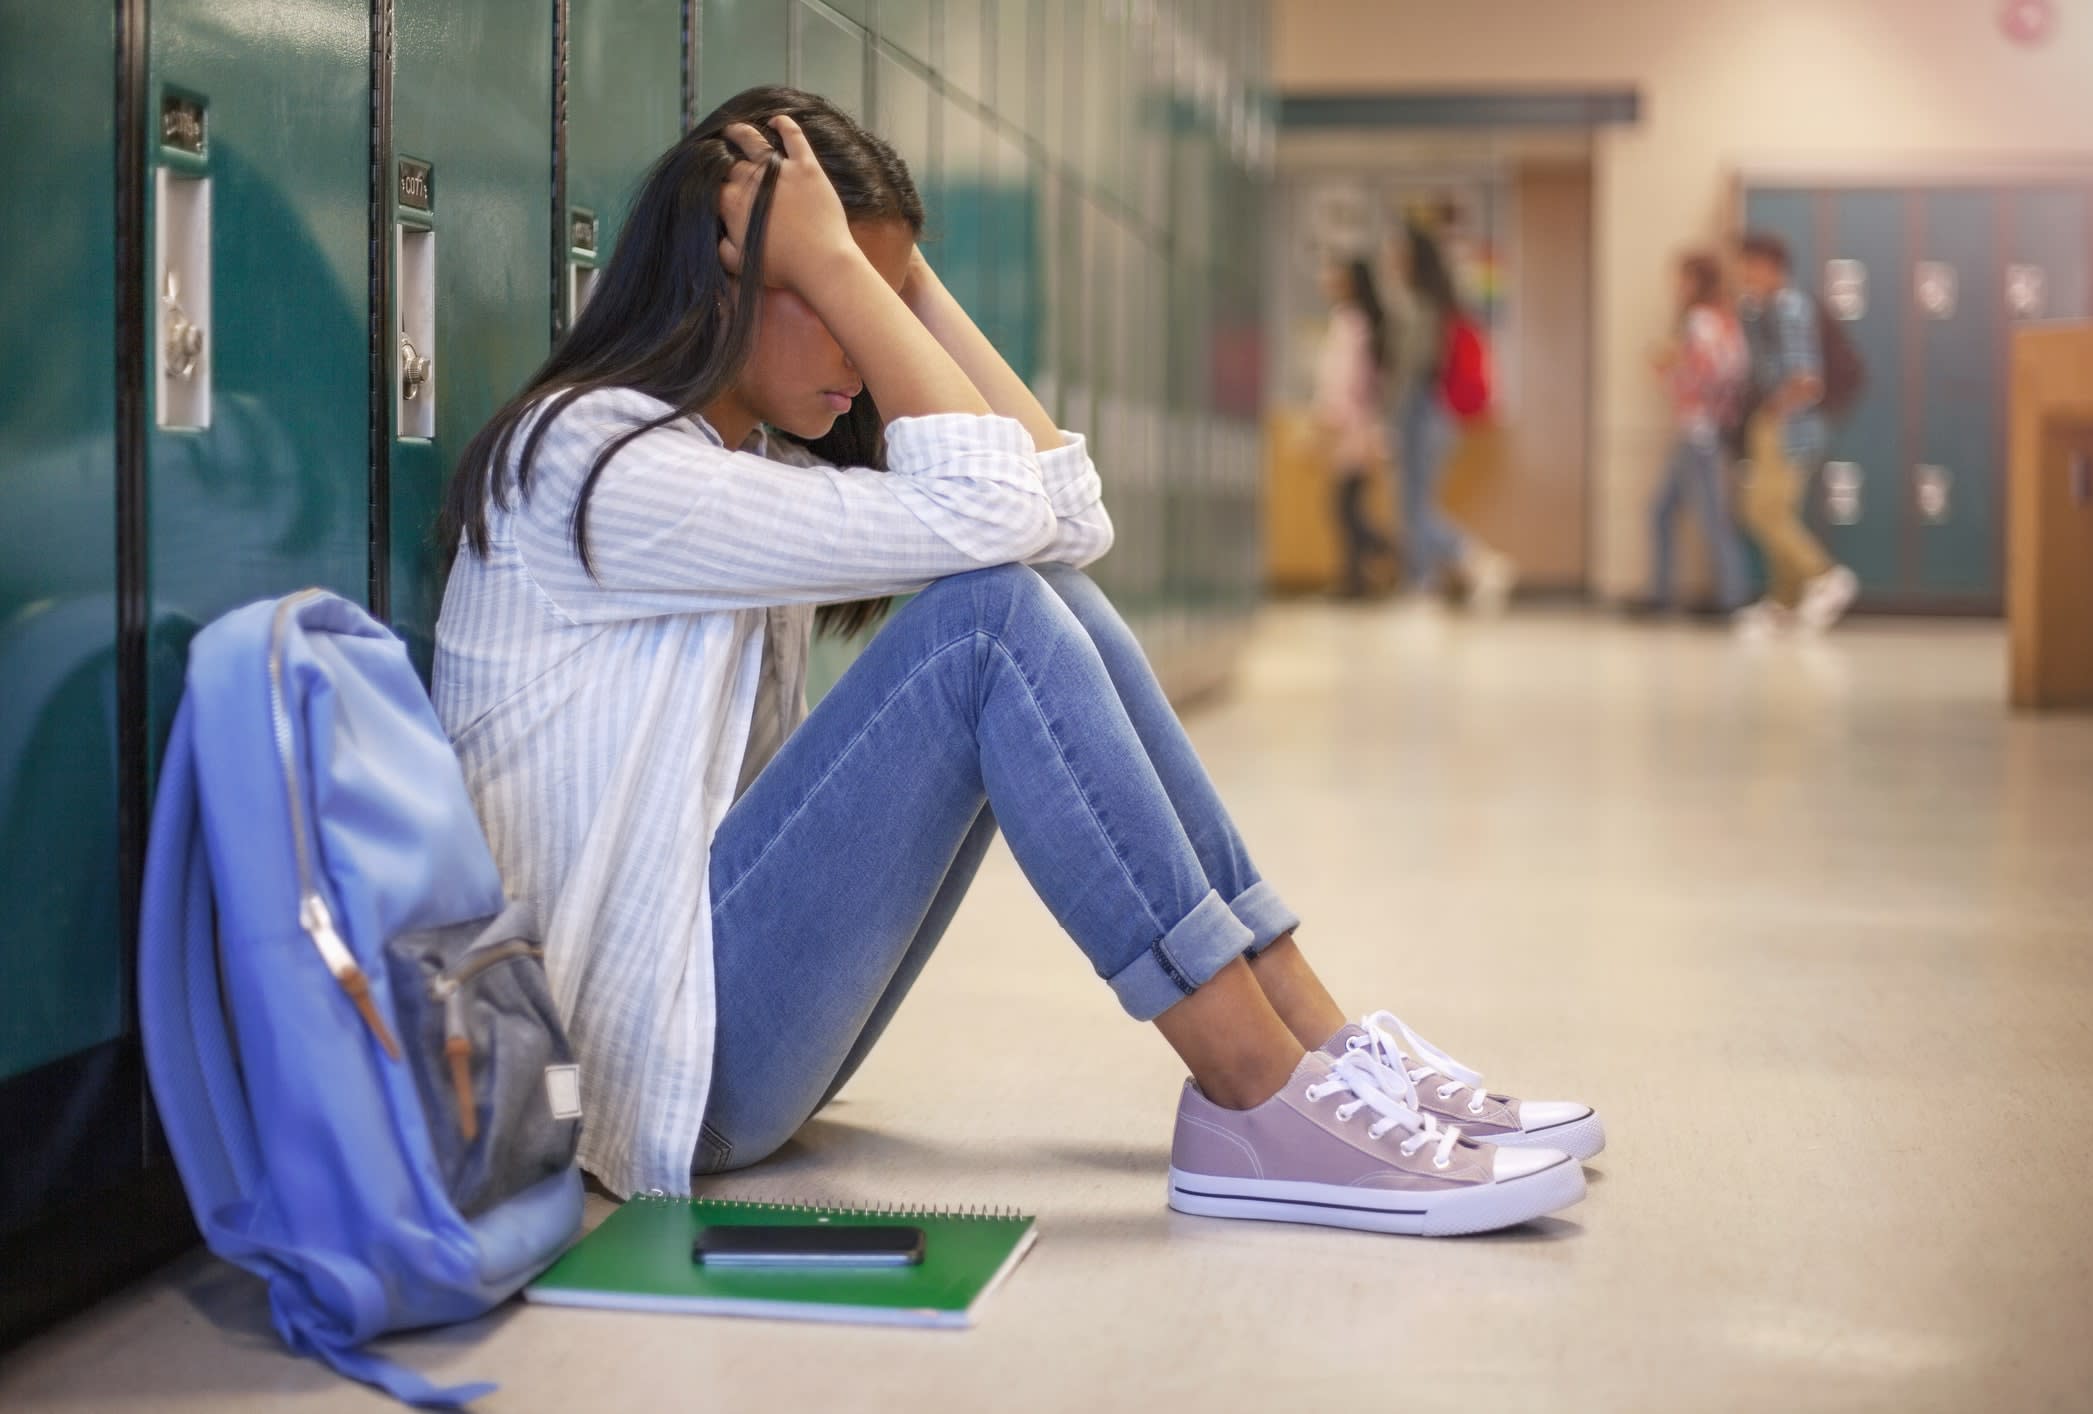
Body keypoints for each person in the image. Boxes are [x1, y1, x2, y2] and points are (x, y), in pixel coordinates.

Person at [430, 88, 1600, 1237]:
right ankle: (1252, 1088)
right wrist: (848, 271)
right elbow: (995, 516)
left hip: (708, 1028)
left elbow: (1064, 515)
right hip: (633, 1075)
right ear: (729, 276)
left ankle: (1310, 1046)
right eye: (838, 301)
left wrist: (886, 272)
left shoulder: (744, 467)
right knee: (988, 624)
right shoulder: (594, 466)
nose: (866, 350)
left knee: (1044, 597)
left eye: (884, 304)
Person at [1734, 232, 1859, 635]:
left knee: (1763, 512)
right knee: (1773, 513)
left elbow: (1807, 380)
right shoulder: (1762, 310)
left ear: (1771, 266)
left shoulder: (1791, 308)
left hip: (1788, 426)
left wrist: (1775, 410)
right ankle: (1784, 602)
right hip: (1774, 422)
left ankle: (1823, 575)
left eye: (1749, 265)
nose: (1743, 274)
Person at [1387, 225, 1514, 610]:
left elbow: (1413, 368)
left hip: (1422, 412)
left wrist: (1387, 416)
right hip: (1436, 415)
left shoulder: (1420, 306)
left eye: (1398, 254)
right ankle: (1422, 583)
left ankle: (1477, 560)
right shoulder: (1441, 305)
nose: (1391, 262)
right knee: (1413, 505)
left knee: (1416, 508)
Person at [1646, 251, 1751, 618]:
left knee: (1711, 517)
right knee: (1661, 511)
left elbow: (1711, 373)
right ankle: (1662, 597)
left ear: (1696, 282)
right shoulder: (1724, 320)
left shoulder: (1700, 321)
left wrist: (1667, 371)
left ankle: (1732, 599)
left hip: (1699, 430)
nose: (1675, 287)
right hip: (1703, 429)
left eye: (1681, 279)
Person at [1311, 258, 1396, 597]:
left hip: (1350, 428)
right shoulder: (1365, 324)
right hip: (1358, 425)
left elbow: (1344, 379)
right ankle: (1356, 580)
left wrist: (1330, 416)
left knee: (1345, 508)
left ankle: (1382, 552)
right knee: (1348, 506)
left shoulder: (1351, 324)